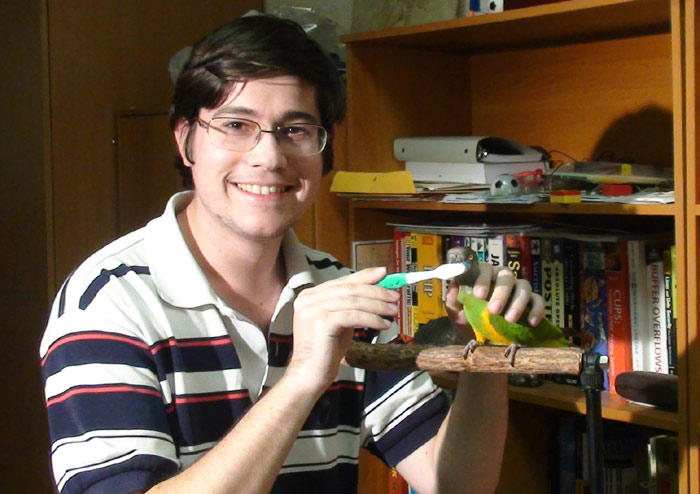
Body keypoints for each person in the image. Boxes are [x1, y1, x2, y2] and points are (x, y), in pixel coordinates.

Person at [40, 14, 545, 494]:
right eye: (236, 125)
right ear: (187, 140)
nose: (269, 157)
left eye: (295, 130)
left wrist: (486, 354)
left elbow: (454, 482)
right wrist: (303, 377)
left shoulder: (343, 296)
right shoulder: (107, 303)